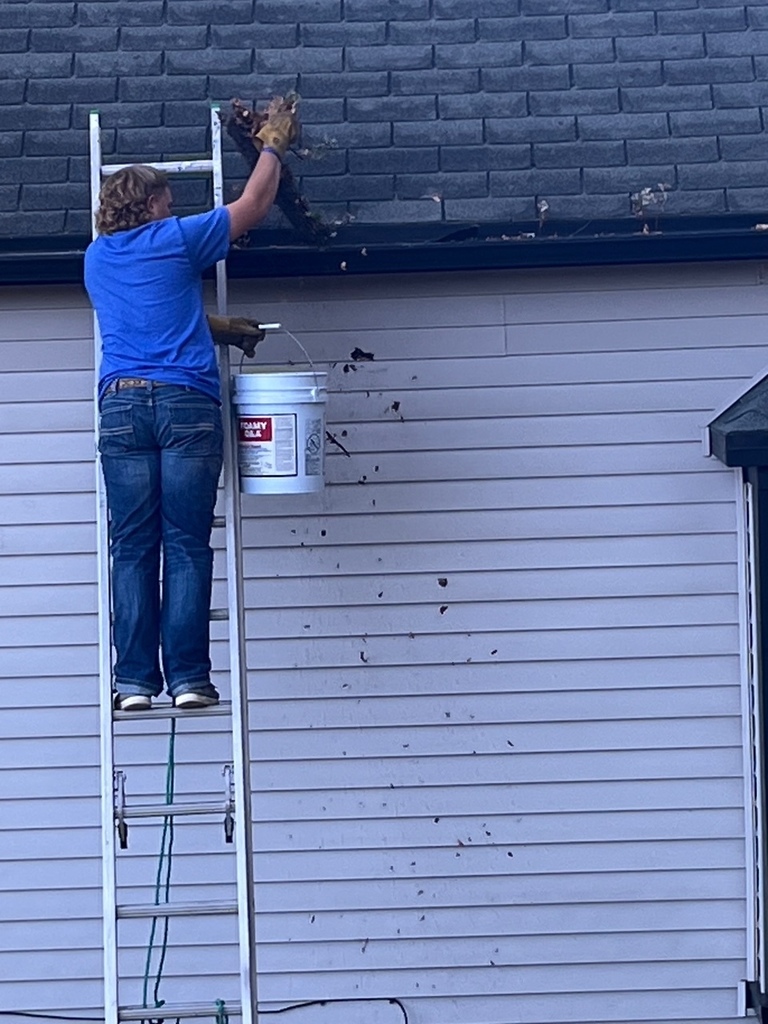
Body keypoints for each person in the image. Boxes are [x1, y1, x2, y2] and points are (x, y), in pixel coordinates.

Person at [84, 105, 297, 711]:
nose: (172, 210)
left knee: (131, 546)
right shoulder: (175, 239)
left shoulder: (97, 258)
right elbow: (253, 206)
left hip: (123, 410)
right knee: (184, 543)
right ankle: (187, 680)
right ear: (149, 205)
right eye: (167, 201)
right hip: (185, 408)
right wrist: (274, 147)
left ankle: (132, 684)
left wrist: (217, 328)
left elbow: (151, 317)